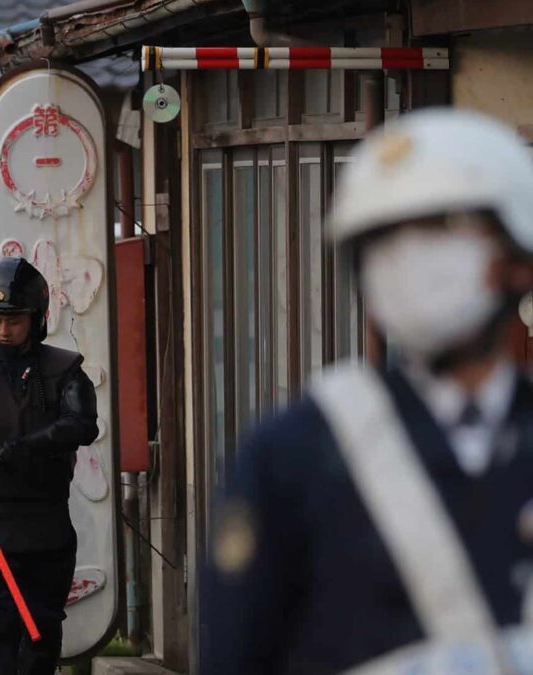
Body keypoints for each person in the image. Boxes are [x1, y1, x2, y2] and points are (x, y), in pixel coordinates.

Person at [202, 109, 533, 674]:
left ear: (518, 257)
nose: (409, 259)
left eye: (443, 227)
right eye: (382, 240)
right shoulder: (294, 454)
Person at [0, 257, 99, 675]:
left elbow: (82, 425)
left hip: (45, 523)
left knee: (40, 635)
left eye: (13, 320)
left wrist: (28, 446)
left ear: (36, 317)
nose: (3, 330)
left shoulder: (64, 369)